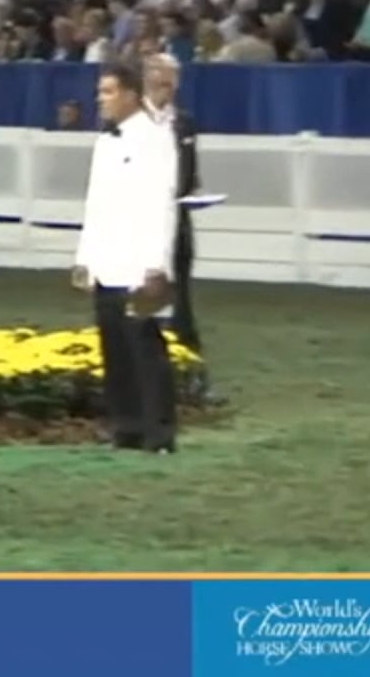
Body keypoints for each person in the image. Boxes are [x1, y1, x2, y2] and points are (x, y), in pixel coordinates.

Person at [73, 63, 181, 454]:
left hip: (140, 261)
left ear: (132, 94)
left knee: (145, 349)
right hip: (106, 260)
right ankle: (127, 427)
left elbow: (160, 206)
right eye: (100, 92)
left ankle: (160, 432)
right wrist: (84, 258)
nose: (100, 99)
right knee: (114, 348)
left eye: (108, 92)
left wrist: (157, 266)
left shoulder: (155, 139)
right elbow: (94, 205)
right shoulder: (105, 142)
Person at [141, 53, 218, 402]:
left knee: (182, 305)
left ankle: (193, 380)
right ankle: (144, 380)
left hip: (179, 228)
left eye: (173, 79)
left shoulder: (184, 124)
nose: (168, 86)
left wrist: (194, 194)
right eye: (162, 78)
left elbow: (190, 174)